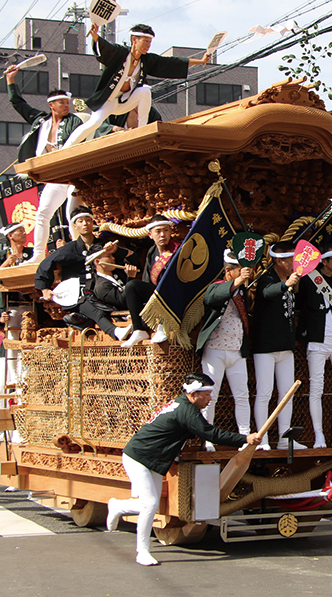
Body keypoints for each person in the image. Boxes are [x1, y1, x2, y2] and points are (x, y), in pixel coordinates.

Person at [107, 373, 261, 565]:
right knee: (149, 504)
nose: (210, 398)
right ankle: (142, 551)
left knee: (149, 504)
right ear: (194, 394)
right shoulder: (186, 411)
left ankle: (117, 506)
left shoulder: (183, 405)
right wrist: (244, 439)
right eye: (207, 394)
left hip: (153, 460)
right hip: (138, 457)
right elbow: (209, 433)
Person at [64, 23, 211, 148]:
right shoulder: (120, 53)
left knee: (145, 91)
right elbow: (105, 48)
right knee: (93, 123)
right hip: (109, 101)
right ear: (135, 39)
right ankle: (64, 148)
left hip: (126, 101)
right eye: (145, 41)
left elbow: (171, 62)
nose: (148, 45)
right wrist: (95, 36)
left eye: (150, 42)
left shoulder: (147, 60)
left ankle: (141, 132)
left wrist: (201, 60)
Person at [5, 65, 85, 263]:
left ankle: (80, 253)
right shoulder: (41, 121)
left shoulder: (74, 120)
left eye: (67, 102)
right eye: (61, 103)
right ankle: (38, 255)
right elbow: (18, 104)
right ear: (52, 105)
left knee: (71, 215)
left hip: (72, 173)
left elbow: (90, 130)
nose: (66, 106)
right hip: (54, 177)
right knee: (42, 214)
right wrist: (10, 81)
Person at [34, 206, 131, 342]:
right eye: (80, 221)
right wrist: (45, 289)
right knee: (95, 310)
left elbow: (131, 258)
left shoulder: (104, 245)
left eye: (88, 220)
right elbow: (46, 264)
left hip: (104, 290)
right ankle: (115, 332)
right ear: (74, 225)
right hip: (79, 295)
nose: (85, 224)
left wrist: (116, 250)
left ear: (93, 222)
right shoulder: (69, 249)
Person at [296, 244, 332, 449]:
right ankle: (319, 435)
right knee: (316, 389)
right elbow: (301, 306)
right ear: (324, 261)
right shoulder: (309, 280)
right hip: (317, 340)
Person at [250, 241, 304, 450]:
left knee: (287, 393)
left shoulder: (290, 280)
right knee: (264, 392)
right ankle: (261, 438)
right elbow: (267, 293)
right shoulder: (267, 278)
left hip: (285, 346)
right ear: (280, 261)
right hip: (266, 347)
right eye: (292, 259)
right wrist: (286, 284)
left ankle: (284, 438)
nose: (295, 263)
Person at [195, 250, 253, 440]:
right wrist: (237, 282)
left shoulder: (242, 291)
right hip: (215, 350)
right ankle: (207, 439)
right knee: (210, 396)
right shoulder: (216, 287)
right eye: (239, 270)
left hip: (236, 351)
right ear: (228, 270)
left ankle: (244, 436)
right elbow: (212, 298)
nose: (242, 274)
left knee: (242, 396)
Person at [117, 214, 176, 347]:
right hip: (157, 295)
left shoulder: (178, 250)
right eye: (158, 231)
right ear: (150, 235)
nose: (162, 235)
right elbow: (147, 281)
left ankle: (163, 326)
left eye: (166, 230)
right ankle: (138, 329)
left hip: (175, 293)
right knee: (132, 286)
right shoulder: (151, 252)